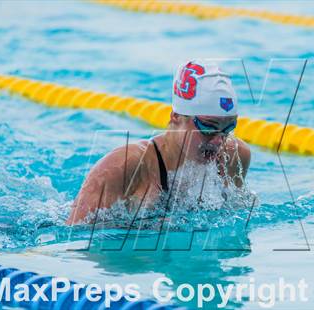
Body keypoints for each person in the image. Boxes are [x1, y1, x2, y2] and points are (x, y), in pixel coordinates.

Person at [66, 60, 251, 225]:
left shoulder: (234, 156)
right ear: (177, 117)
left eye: (228, 129)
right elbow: (75, 239)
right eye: (208, 128)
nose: (219, 140)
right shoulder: (124, 166)